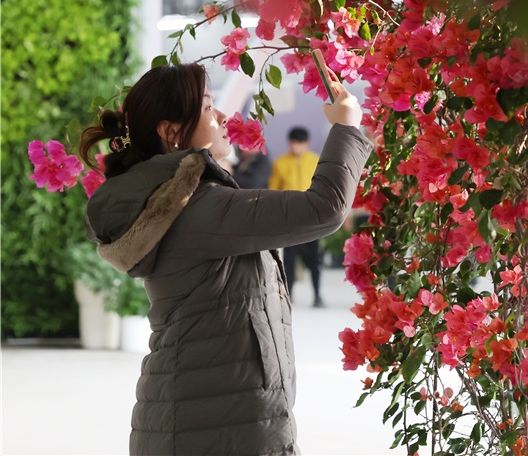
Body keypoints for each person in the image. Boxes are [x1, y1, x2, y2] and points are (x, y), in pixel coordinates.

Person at [79, 63, 371, 456]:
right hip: (219, 427)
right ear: (171, 132)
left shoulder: (179, 205)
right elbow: (324, 208)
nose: (220, 116)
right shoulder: (199, 209)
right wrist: (347, 127)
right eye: (207, 106)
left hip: (201, 419)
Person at [268, 127, 325, 307]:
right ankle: (288, 295)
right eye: (294, 143)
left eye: (300, 143)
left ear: (306, 143)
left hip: (311, 218)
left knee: (314, 259)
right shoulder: (280, 163)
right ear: (289, 143)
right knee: (289, 260)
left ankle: (317, 295)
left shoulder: (316, 161)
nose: (297, 147)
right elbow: (274, 189)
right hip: (290, 218)